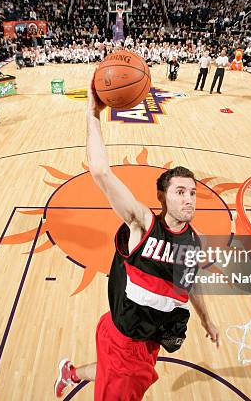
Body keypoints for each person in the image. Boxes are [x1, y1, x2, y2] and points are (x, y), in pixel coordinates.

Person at [54, 78, 219, 399]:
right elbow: (101, 172)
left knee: (111, 372)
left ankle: (71, 374)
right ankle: (72, 374)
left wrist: (206, 320)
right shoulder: (143, 224)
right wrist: (92, 113)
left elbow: (190, 283)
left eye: (193, 193)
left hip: (148, 338)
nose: (189, 199)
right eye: (180, 192)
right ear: (163, 197)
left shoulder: (194, 240)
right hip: (126, 340)